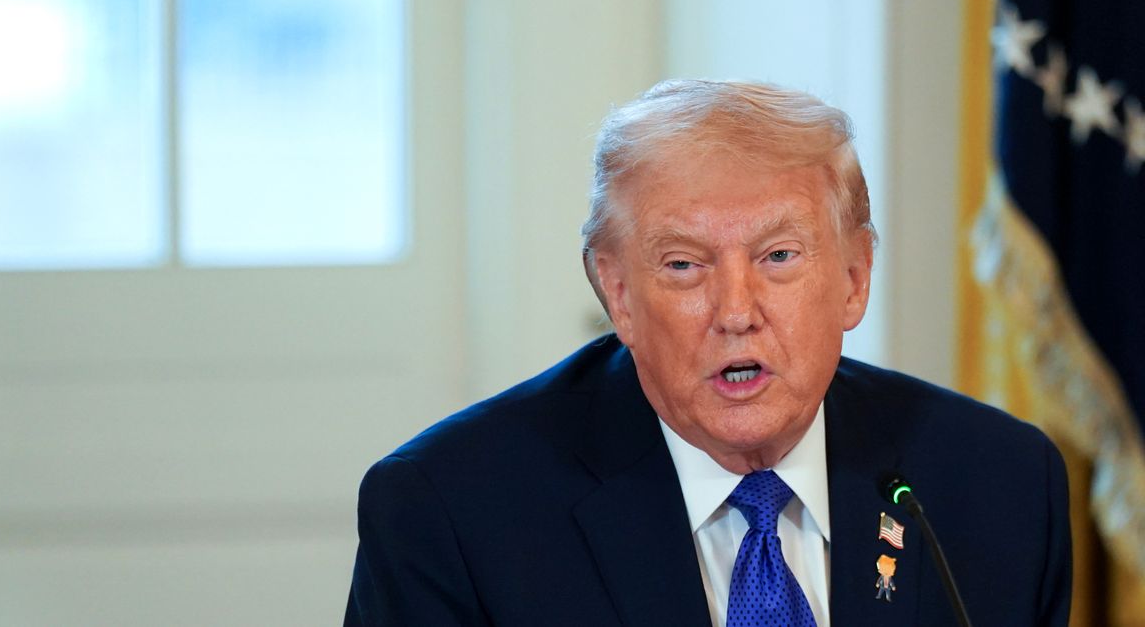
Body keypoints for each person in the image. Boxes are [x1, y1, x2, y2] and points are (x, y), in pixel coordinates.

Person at [344, 80, 1071, 626]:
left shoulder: (999, 486)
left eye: (779, 256)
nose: (735, 312)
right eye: (684, 265)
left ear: (854, 278)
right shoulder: (450, 512)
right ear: (618, 292)